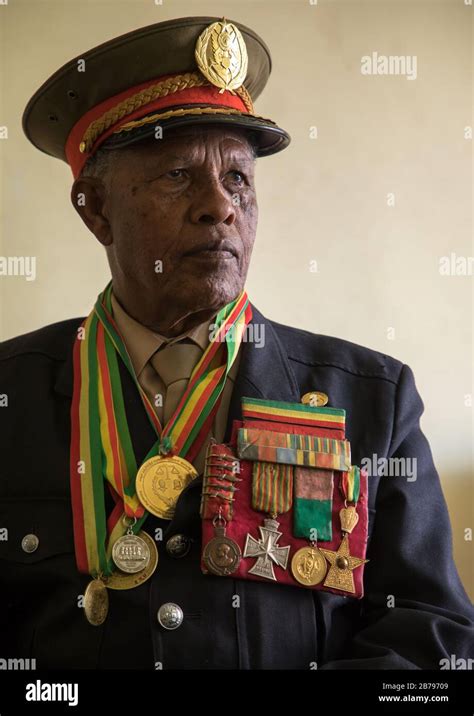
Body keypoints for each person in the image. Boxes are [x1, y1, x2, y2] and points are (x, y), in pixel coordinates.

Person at [0, 15, 472, 671]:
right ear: (96, 208)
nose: (219, 206)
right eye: (176, 176)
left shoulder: (374, 399)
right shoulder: (10, 394)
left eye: (239, 179)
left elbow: (431, 639)